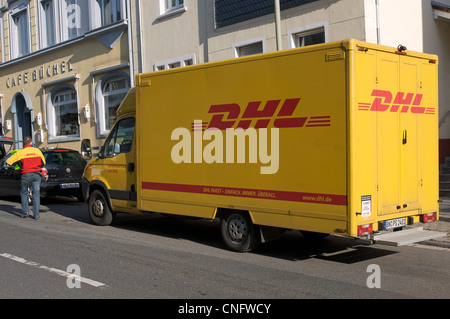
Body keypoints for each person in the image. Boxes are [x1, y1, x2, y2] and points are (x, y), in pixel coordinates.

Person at [6, 136, 46, 220]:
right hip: (36, 174)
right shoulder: (38, 151)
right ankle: (36, 214)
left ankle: (25, 212)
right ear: (31, 142)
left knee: (24, 193)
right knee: (36, 194)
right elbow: (43, 163)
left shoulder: (21, 152)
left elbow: (8, 161)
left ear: (24, 143)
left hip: (26, 175)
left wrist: (18, 166)